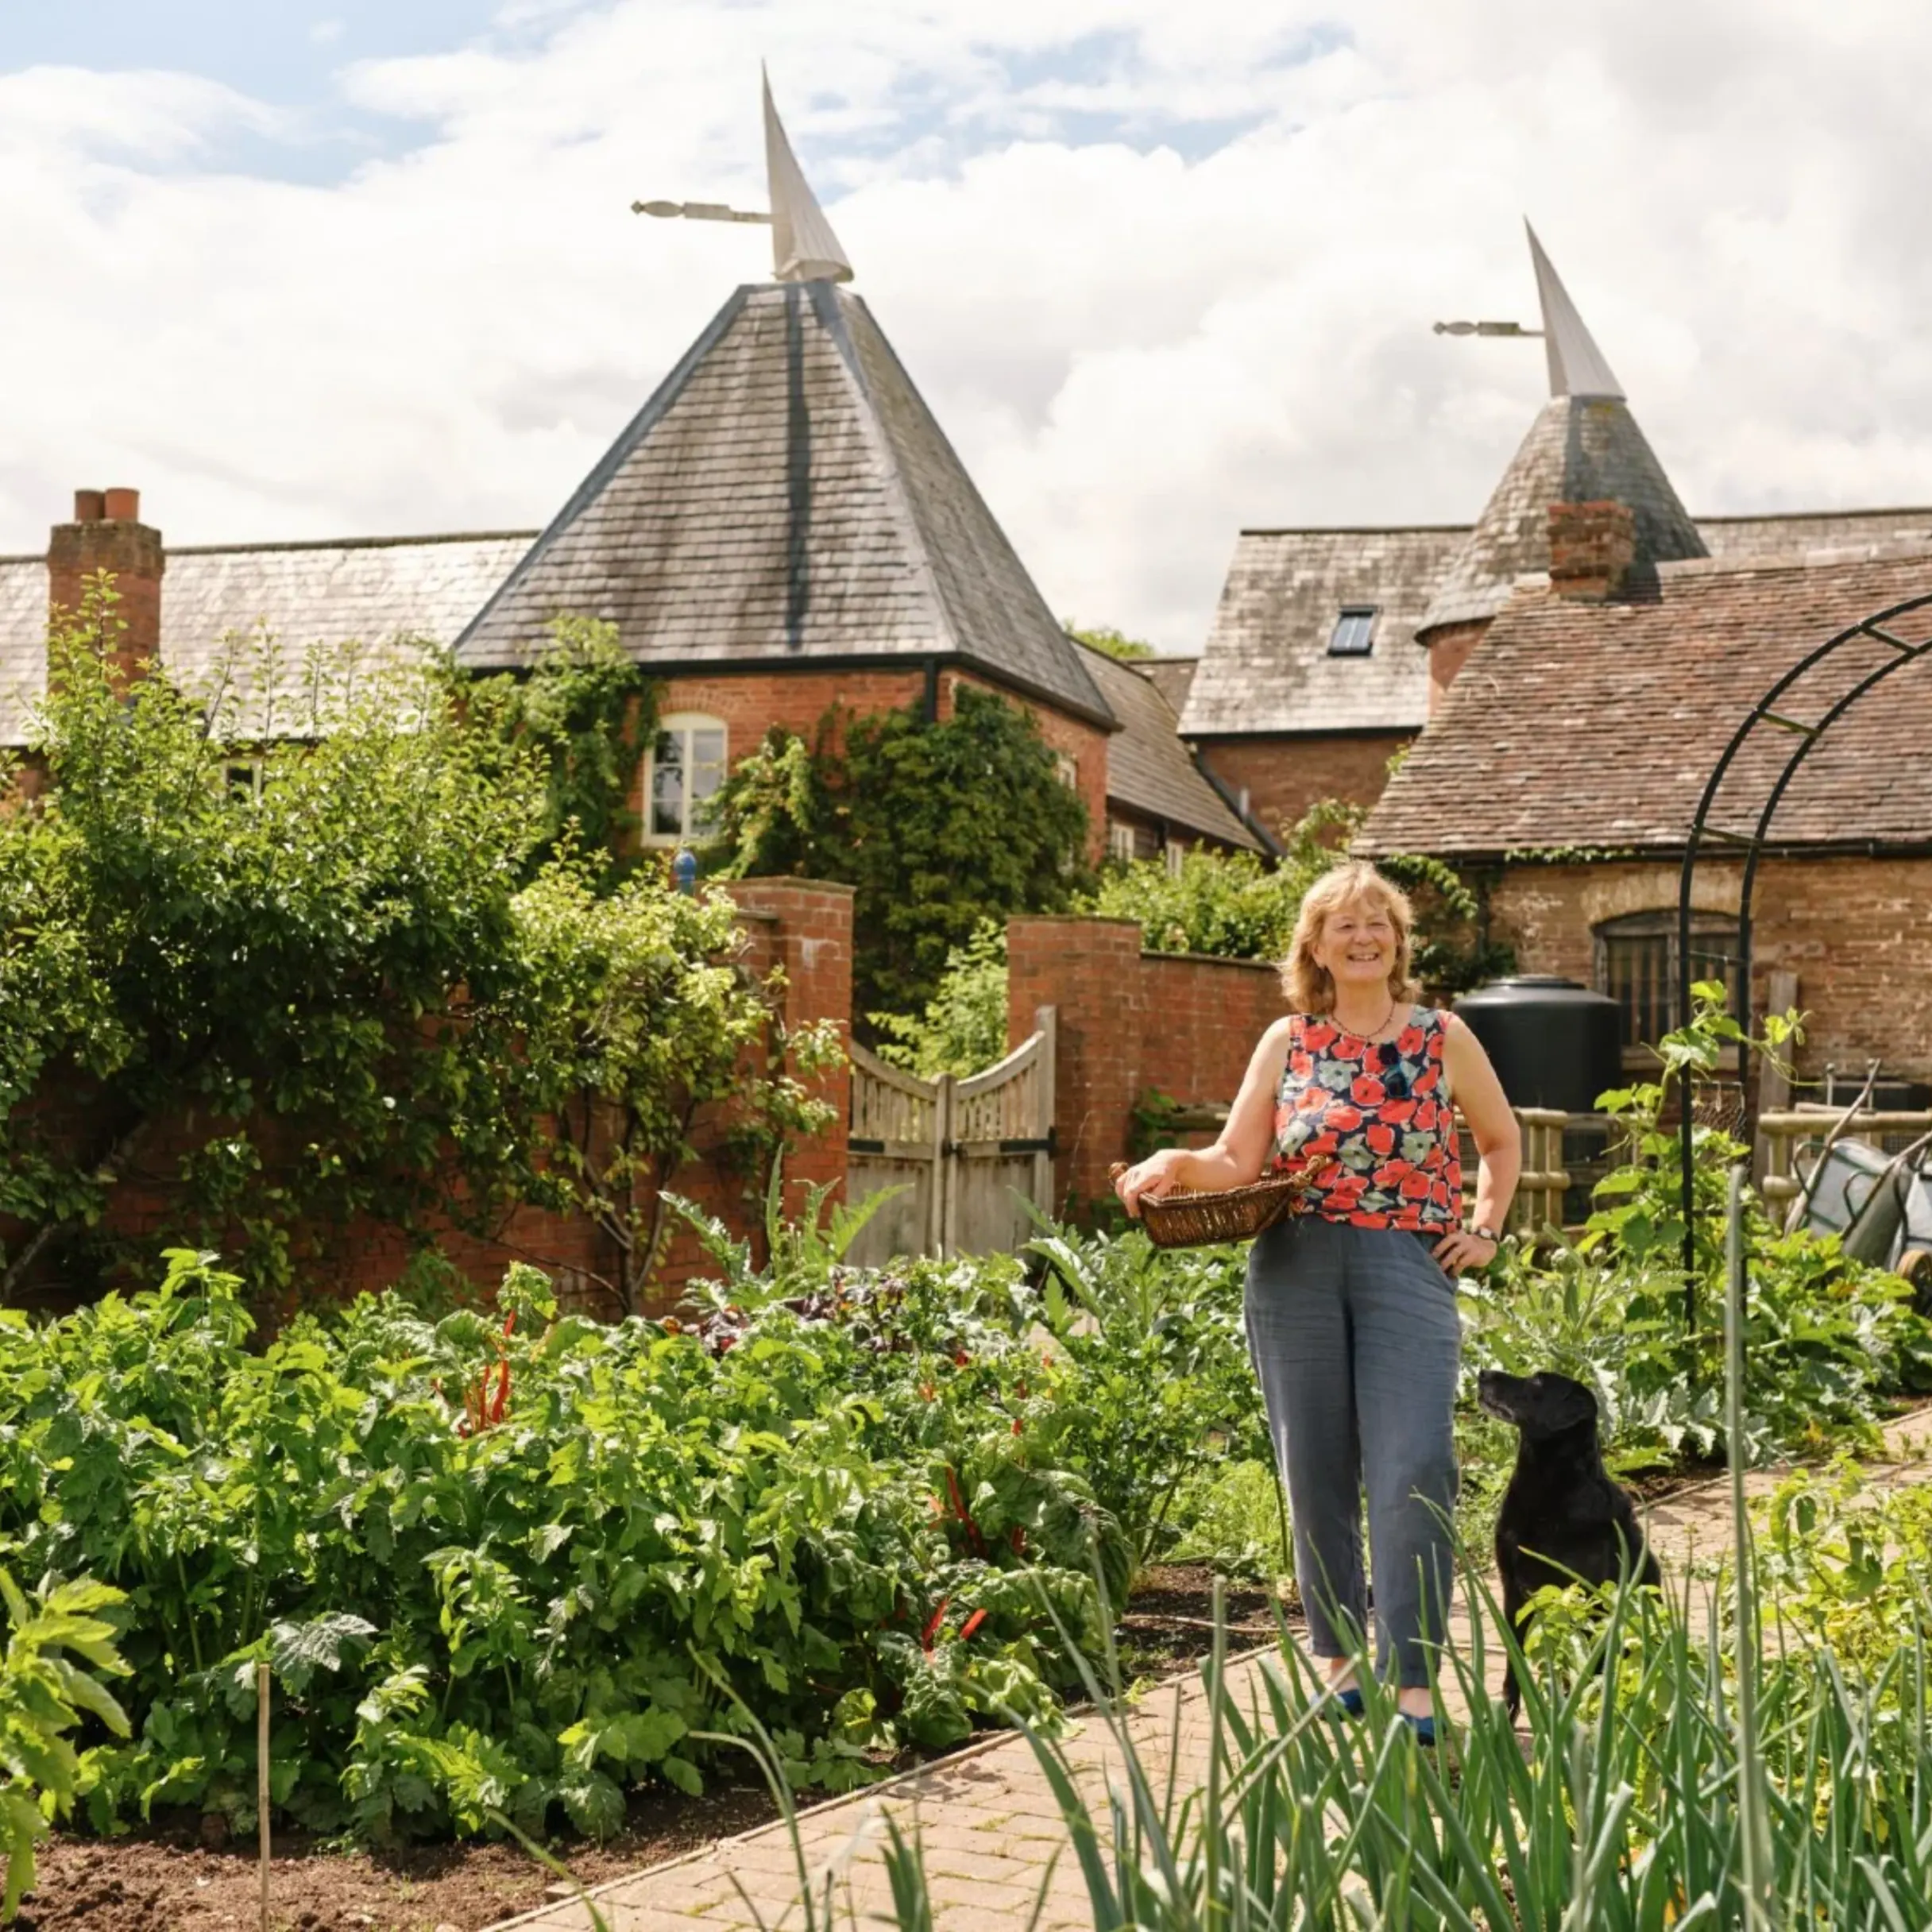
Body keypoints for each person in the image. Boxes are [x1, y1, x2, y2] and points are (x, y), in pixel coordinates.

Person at [1114, 861, 1520, 1735]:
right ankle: (1337, 1662)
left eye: (1379, 920)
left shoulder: (1440, 1035)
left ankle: (1411, 1675)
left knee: (1414, 1464)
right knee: (1315, 1471)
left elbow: (1499, 1137)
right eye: (1344, 924)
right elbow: (1235, 1160)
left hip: (1406, 1269)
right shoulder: (1287, 1040)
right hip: (1292, 1267)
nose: (1365, 934)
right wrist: (1174, 1165)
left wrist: (1484, 1225)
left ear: (1399, 941)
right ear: (1314, 945)